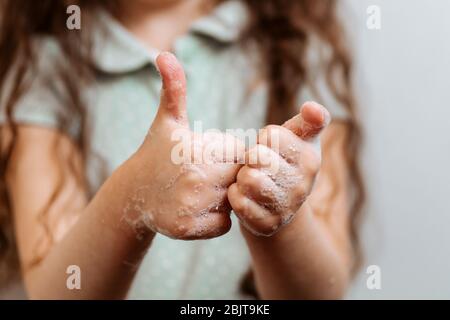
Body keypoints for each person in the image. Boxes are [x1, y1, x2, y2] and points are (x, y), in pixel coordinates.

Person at [0, 0, 364, 299]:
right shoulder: (44, 65)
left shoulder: (297, 46)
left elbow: (321, 294)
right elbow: (55, 293)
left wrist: (275, 214)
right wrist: (134, 197)